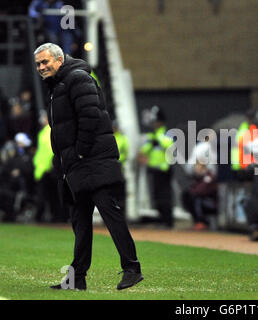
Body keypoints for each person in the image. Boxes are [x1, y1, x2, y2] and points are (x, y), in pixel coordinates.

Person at [34, 43, 142, 290]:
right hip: (77, 165)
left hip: (92, 161)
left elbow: (90, 115)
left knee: (109, 213)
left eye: (45, 62)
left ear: (59, 60)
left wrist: (80, 151)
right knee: (80, 221)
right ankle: (77, 277)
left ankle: (132, 268)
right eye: (38, 64)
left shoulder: (77, 78)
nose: (41, 67)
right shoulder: (59, 84)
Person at [138, 105, 175, 228]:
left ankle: (168, 220)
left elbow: (169, 144)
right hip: (155, 169)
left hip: (164, 169)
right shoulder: (154, 135)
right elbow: (146, 148)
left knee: (165, 195)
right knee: (157, 196)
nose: (154, 124)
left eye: (156, 121)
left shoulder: (166, 133)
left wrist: (157, 140)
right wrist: (142, 153)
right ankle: (162, 219)